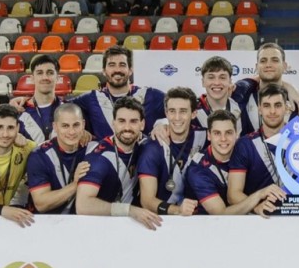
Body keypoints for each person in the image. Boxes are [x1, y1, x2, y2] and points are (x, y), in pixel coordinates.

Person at [75, 97, 162, 230]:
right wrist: (128, 210)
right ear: (113, 123)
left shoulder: (145, 145)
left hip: (135, 225)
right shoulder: (98, 158)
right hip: (100, 227)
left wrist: (163, 123)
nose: (127, 128)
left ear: (142, 124)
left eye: (133, 121)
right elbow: (82, 205)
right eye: (121, 121)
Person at [184, 110, 286, 216]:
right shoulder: (198, 169)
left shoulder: (245, 150)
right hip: (208, 225)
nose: (223, 139)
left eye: (228, 132)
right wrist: (258, 197)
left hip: (245, 220)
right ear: (209, 135)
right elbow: (221, 213)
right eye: (217, 133)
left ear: (236, 134)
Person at [66, 46, 165, 139]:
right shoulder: (92, 98)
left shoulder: (149, 95)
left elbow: (178, 105)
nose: (117, 70)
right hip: (104, 156)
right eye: (111, 65)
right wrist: (78, 129)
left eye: (122, 65)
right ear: (104, 71)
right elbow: (61, 108)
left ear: (130, 70)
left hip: (142, 156)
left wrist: (163, 123)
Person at [139, 87, 202, 217]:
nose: (177, 117)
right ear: (166, 114)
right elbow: (146, 201)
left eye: (183, 111)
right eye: (172, 111)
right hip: (164, 219)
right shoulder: (153, 147)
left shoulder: (206, 137)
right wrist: (177, 210)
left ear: (194, 113)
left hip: (201, 218)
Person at [228, 83, 291, 207]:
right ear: (259, 109)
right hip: (257, 220)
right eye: (267, 106)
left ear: (287, 108)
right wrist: (257, 208)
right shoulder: (244, 144)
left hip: (297, 215)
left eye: (278, 105)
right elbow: (233, 195)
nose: (272, 111)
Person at [27, 103, 95, 214]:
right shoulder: (39, 155)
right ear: (55, 126)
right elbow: (41, 204)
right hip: (47, 224)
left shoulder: (95, 149)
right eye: (65, 126)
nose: (71, 132)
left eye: (76, 125)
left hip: (84, 223)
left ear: (83, 124)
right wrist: (75, 184)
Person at [18, 54, 63, 144]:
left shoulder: (67, 109)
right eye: (39, 73)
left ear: (57, 78)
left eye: (50, 72)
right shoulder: (20, 111)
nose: (45, 77)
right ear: (32, 79)